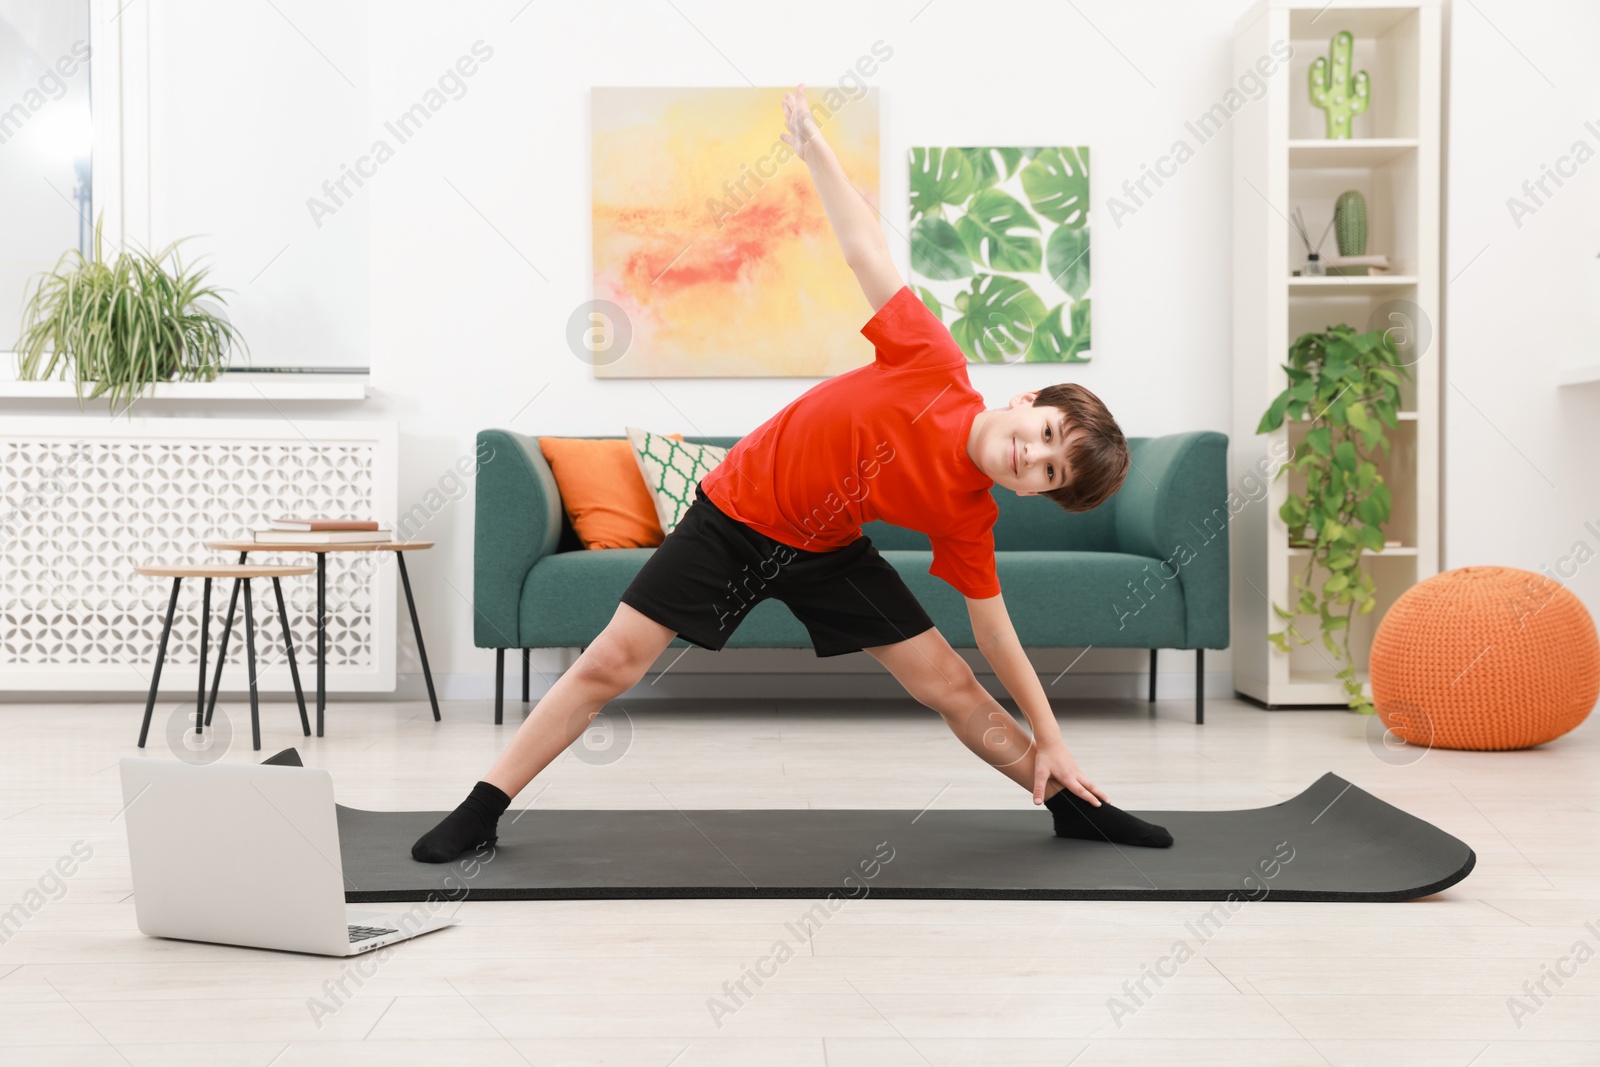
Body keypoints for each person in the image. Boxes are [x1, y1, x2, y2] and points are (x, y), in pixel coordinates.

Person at [411, 83, 1172, 864]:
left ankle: (1071, 802)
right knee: (611, 659)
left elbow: (993, 630)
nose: (1031, 454)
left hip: (825, 549)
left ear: (1029, 493)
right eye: (1044, 433)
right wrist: (815, 151)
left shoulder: (968, 510)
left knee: (948, 681)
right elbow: (866, 251)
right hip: (733, 515)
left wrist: (1053, 737)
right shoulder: (936, 365)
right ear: (1028, 399)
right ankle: (483, 805)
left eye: (1046, 472)